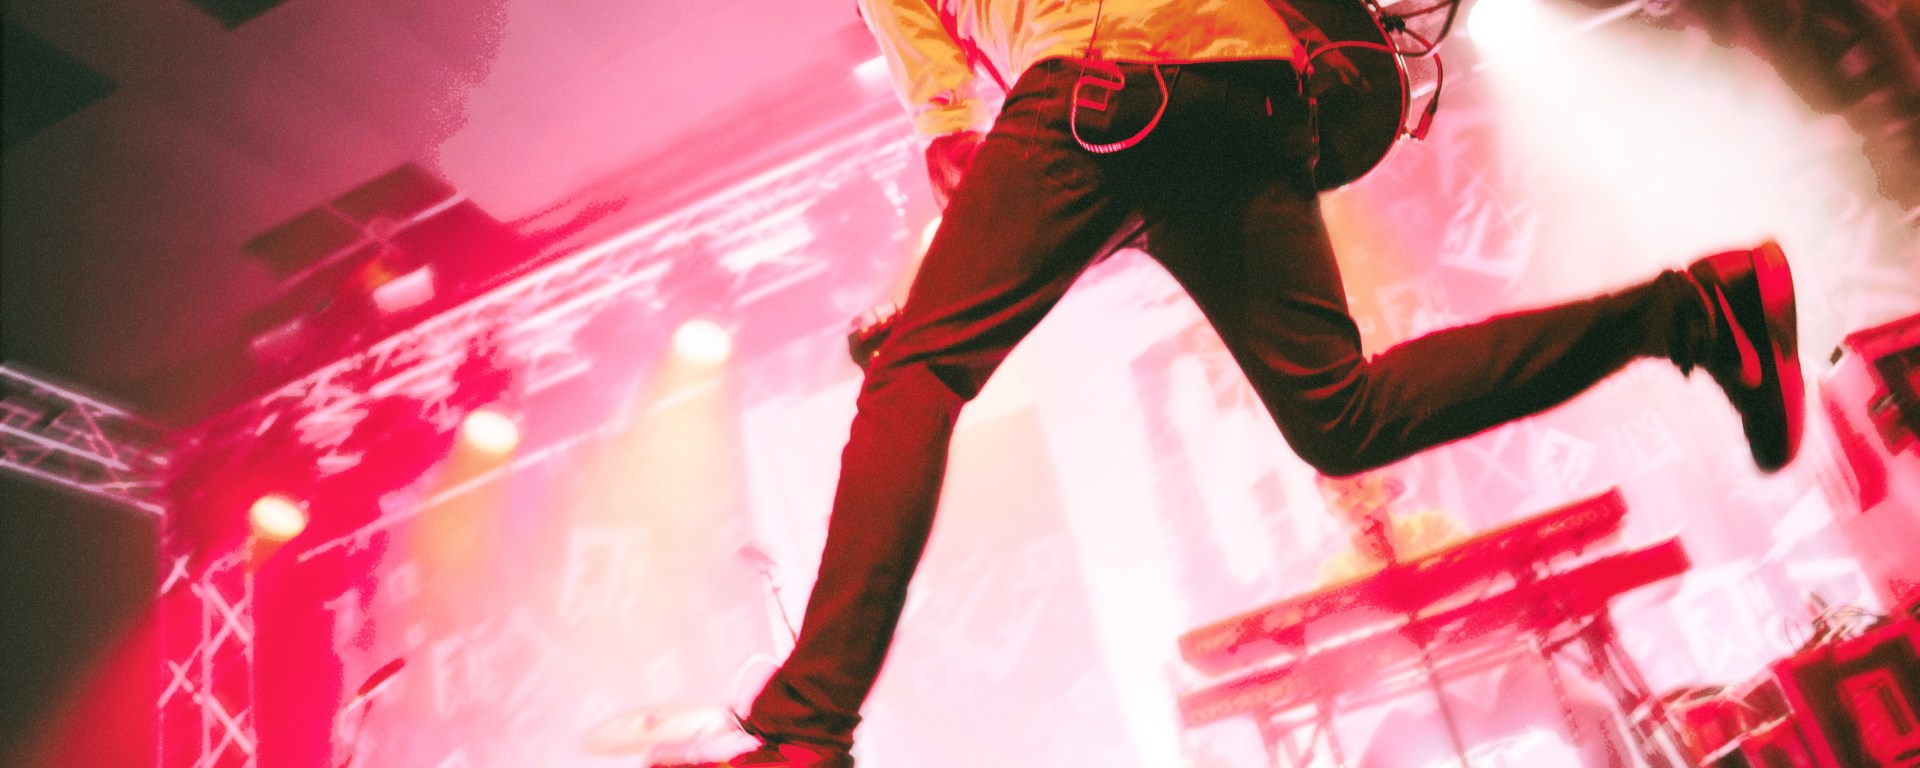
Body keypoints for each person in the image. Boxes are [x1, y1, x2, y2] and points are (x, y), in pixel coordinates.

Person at [656, 0, 1803, 765]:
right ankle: (1695, 311)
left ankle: (805, 729)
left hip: (1106, 79)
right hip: (1251, 86)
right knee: (1342, 416)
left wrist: (945, 164)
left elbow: (959, 122)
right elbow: (1100, 204)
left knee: (915, 380)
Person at [1311, 470, 1630, 768]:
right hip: (1422, 698)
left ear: (1382, 482)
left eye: (1360, 485)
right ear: (1329, 513)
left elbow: (1482, 586)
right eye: (1341, 496)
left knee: (1594, 715)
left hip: (1501, 671)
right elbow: (1344, 662)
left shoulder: (1435, 527)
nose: (1356, 502)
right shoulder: (1334, 576)